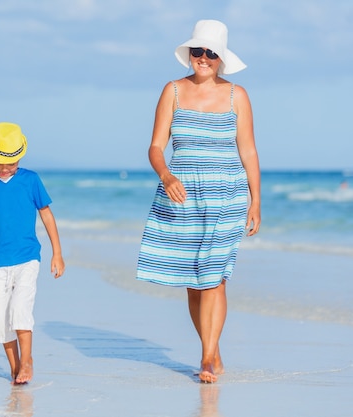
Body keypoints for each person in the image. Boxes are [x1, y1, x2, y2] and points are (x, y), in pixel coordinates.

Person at [136, 20, 261, 383]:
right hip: (183, 196)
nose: (203, 58)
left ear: (221, 58)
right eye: (197, 51)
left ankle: (207, 357)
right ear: (189, 53)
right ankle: (213, 349)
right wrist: (166, 175)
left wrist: (256, 201)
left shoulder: (238, 96)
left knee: (215, 280)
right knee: (194, 280)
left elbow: (249, 151)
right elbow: (156, 146)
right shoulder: (172, 91)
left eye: (210, 53)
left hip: (227, 195)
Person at [0, 122, 65, 385]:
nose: (5, 168)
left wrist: (57, 253)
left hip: (28, 257)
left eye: (11, 163)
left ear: (20, 157)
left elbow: (47, 216)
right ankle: (15, 367)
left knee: (20, 309)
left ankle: (27, 360)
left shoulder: (31, 180)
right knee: (1, 319)